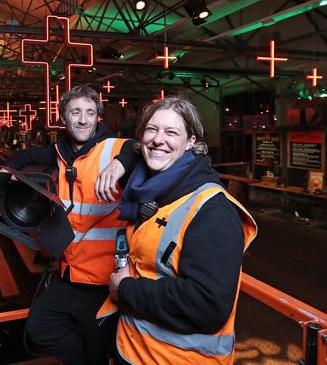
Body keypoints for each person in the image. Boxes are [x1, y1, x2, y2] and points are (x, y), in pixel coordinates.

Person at [96, 96, 258, 364]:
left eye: (172, 132)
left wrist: (125, 289)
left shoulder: (212, 211)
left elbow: (206, 305)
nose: (159, 139)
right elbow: (135, 150)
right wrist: (121, 160)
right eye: (152, 129)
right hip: (134, 349)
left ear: (191, 143)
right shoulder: (151, 187)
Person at [0, 85, 138, 364]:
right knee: (40, 327)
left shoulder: (114, 148)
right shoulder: (60, 152)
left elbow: (140, 148)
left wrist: (121, 164)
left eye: (90, 112)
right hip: (70, 274)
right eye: (76, 112)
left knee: (101, 348)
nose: (83, 119)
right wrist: (6, 172)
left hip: (105, 281)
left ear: (99, 116)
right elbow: (24, 158)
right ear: (64, 117)